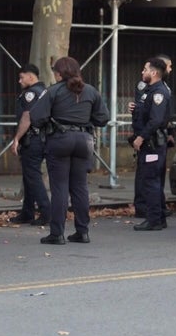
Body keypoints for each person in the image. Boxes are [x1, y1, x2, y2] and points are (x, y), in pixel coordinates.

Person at [29, 57, 109, 244]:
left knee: (59, 188)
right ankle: (82, 232)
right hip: (84, 141)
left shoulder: (53, 91)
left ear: (59, 73)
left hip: (59, 140)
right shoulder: (91, 91)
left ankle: (57, 233)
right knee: (80, 187)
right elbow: (103, 118)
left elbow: (36, 117)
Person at [130, 58, 172, 231]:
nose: (142, 72)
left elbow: (155, 120)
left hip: (152, 143)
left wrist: (140, 138)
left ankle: (154, 220)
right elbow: (146, 114)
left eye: (145, 69)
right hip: (150, 142)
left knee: (151, 182)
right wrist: (135, 110)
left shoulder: (158, 93)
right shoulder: (150, 90)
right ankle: (159, 218)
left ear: (153, 72)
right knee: (152, 180)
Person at [9, 64, 50, 226]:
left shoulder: (31, 93)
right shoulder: (44, 91)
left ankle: (46, 211)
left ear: (31, 77)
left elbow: (27, 117)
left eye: (22, 77)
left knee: (33, 176)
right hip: (41, 139)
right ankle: (28, 212)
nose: (19, 81)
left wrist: (17, 138)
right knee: (28, 177)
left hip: (32, 140)